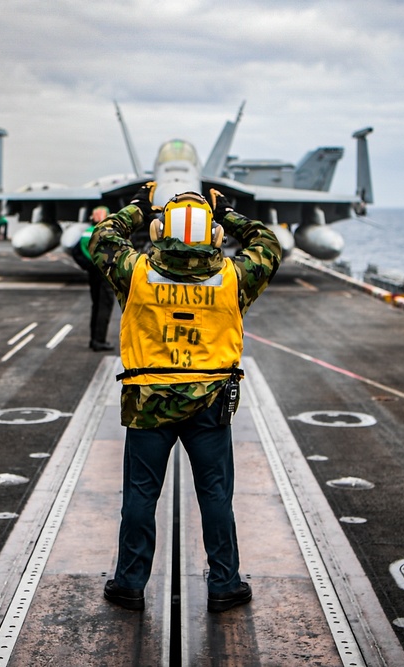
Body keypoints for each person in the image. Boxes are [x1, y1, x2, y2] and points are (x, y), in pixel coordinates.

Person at [90, 183, 282, 612]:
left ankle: (129, 584)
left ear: (160, 230)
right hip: (211, 402)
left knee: (141, 496)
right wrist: (229, 213)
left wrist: (137, 208)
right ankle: (224, 583)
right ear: (213, 236)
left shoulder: (137, 271)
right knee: (215, 495)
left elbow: (102, 238)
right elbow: (269, 243)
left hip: (147, 402)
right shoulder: (233, 276)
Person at [70, 206, 115, 351]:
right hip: (104, 274)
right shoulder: (106, 233)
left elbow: (76, 252)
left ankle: (94, 339)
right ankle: (99, 340)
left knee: (96, 305)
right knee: (104, 306)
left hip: (93, 274)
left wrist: (88, 266)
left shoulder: (86, 233)